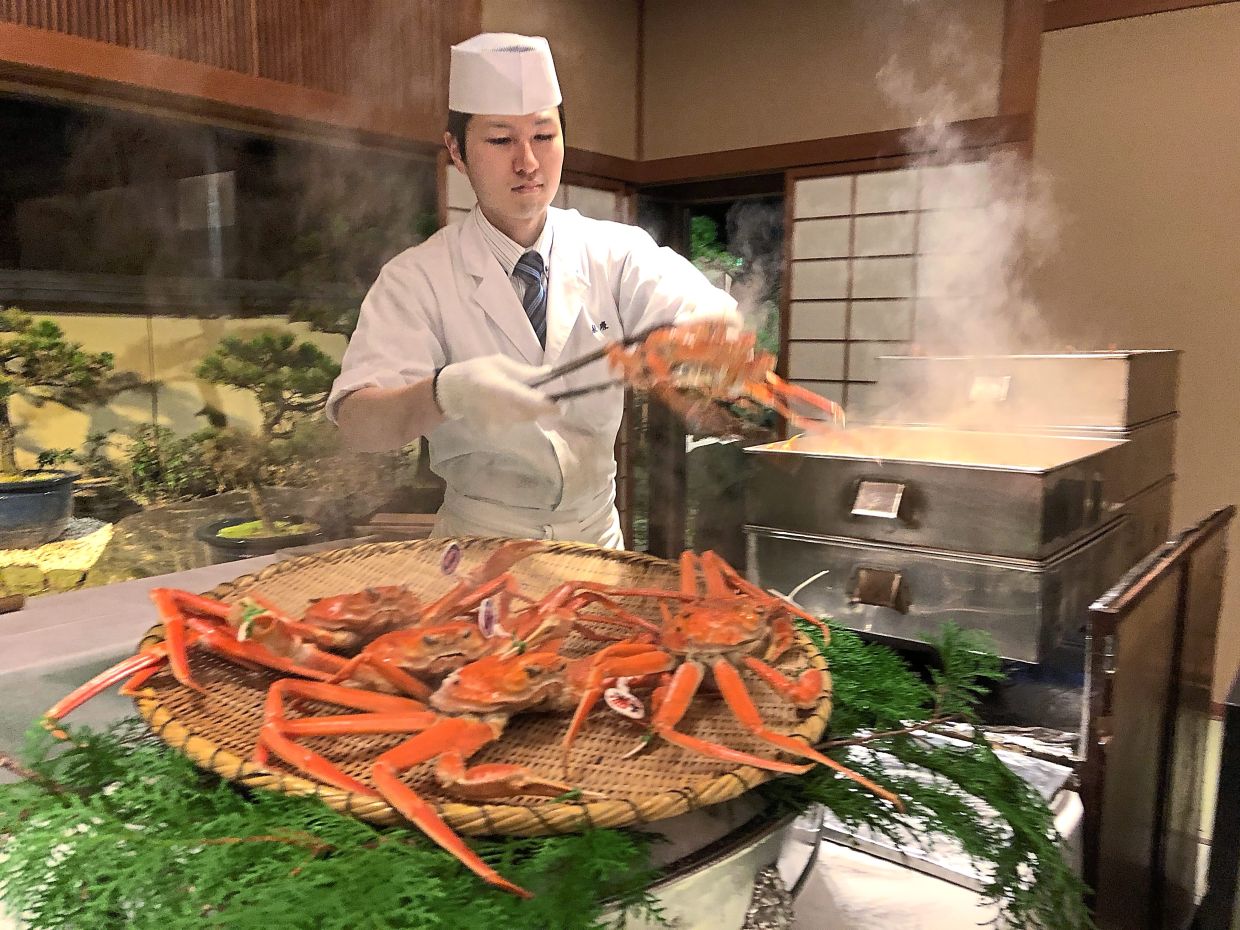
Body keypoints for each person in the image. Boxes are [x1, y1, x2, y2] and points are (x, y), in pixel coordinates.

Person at [328, 32, 737, 548]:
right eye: (501, 141)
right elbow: (359, 423)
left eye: (544, 136)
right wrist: (445, 391)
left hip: (595, 542)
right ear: (456, 150)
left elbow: (706, 318)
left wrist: (701, 348)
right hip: (477, 546)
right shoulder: (418, 277)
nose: (528, 162)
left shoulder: (616, 253)